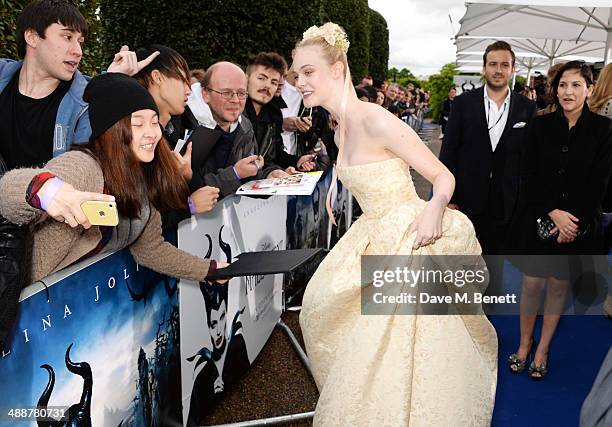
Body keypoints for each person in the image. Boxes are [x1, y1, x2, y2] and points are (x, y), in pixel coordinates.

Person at [295, 23, 498, 425]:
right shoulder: (340, 131)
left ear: (337, 69)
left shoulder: (375, 119)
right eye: (297, 74)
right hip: (370, 234)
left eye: (308, 72)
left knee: (399, 350)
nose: (299, 82)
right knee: (320, 310)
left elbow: (443, 178)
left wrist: (434, 210)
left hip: (409, 239)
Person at [0, 73, 227, 284]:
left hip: (79, 310)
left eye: (154, 121)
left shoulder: (141, 177)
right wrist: (47, 190)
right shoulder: (83, 168)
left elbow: (151, 249)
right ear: (112, 131)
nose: (152, 132)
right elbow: (6, 192)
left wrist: (210, 270)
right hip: (29, 312)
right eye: (137, 123)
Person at [510, 61, 612, 380]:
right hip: (539, 217)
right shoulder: (539, 126)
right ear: (556, 89)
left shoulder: (604, 130)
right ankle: (525, 343)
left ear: (589, 89)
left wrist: (573, 224)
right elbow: (528, 175)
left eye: (576, 85)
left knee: (557, 288)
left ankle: (543, 349)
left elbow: (601, 182)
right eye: (563, 85)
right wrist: (552, 211)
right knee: (531, 285)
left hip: (578, 227)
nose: (568, 91)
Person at [439, 40, 537, 256]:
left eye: (504, 65)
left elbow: (530, 158)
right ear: (484, 68)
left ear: (513, 69)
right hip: (465, 198)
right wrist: (449, 198)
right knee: (461, 264)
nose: (498, 70)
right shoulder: (463, 103)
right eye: (493, 64)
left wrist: (522, 201)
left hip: (506, 203)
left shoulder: (527, 107)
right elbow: (448, 153)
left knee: (495, 265)